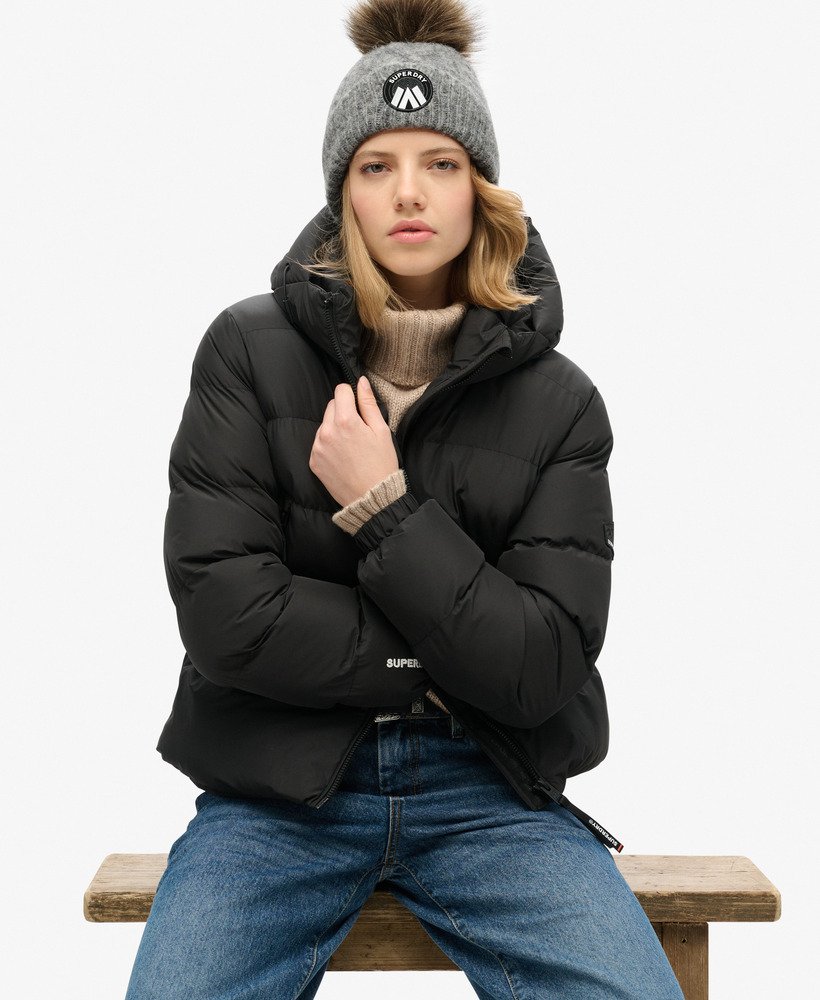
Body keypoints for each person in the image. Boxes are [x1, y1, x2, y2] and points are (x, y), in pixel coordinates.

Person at [125, 1, 685, 997]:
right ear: (342, 192)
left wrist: (384, 507)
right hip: (276, 795)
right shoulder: (246, 353)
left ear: (480, 191)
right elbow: (226, 616)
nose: (409, 192)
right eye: (376, 165)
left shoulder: (561, 404)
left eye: (441, 163)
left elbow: (542, 666)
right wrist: (447, 651)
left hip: (490, 791)